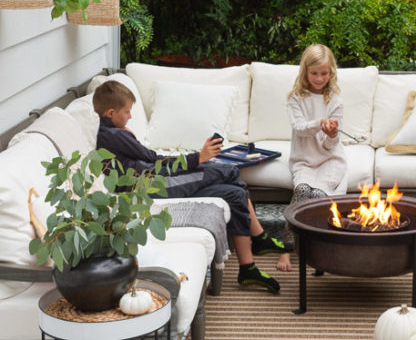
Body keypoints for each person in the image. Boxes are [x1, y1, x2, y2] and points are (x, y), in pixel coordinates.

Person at [93, 79, 291, 294]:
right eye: (127, 112)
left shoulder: (111, 134)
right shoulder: (114, 135)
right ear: (110, 113)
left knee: (234, 193)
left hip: (156, 181)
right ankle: (260, 238)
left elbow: (148, 161)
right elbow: (154, 159)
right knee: (230, 171)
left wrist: (196, 159)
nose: (130, 117)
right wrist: (198, 158)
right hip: (155, 186)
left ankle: (247, 268)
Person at [278, 44, 345, 272]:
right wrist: (320, 123)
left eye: (324, 73)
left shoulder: (335, 101)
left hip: (330, 160)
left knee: (317, 196)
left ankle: (318, 250)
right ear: (305, 71)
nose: (319, 78)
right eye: (314, 73)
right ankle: (286, 248)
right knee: (302, 191)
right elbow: (300, 128)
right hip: (304, 160)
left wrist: (332, 134)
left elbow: (329, 146)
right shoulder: (296, 98)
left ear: (331, 73)